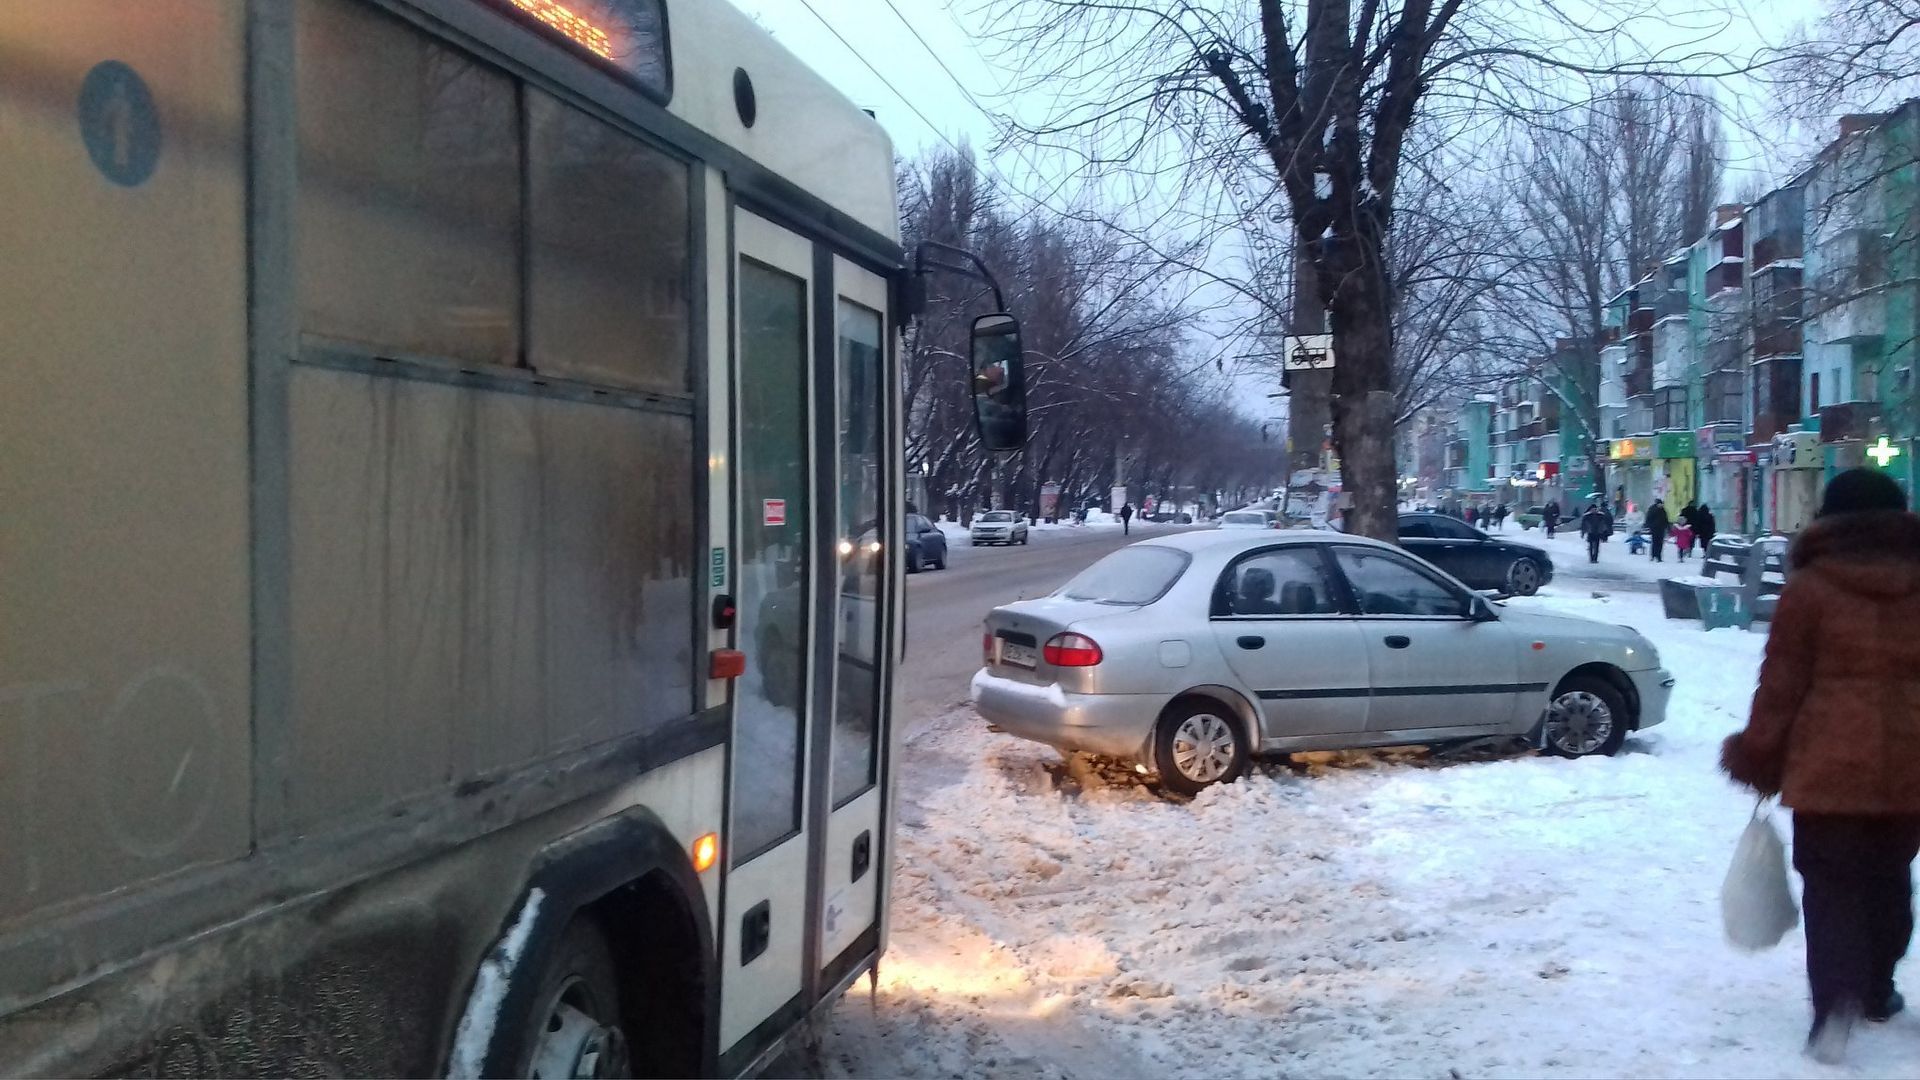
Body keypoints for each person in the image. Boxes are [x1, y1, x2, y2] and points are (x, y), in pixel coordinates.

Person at [1722, 468, 1920, 1064]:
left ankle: (1835, 1004)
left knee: (1832, 886)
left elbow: (1781, 685)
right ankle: (1877, 988)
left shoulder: (1809, 590)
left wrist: (1758, 752)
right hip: (1911, 766)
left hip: (1828, 766)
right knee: (1889, 875)